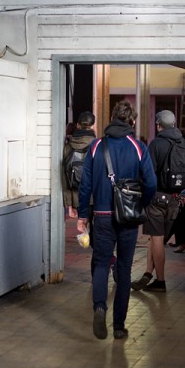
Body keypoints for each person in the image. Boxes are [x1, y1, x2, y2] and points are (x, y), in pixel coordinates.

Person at [77, 100, 156, 340]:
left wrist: (82, 216)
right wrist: (140, 205)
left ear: (112, 118)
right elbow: (151, 183)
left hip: (102, 216)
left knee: (101, 264)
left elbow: (85, 185)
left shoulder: (96, 146)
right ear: (132, 120)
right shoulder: (138, 147)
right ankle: (119, 326)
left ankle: (100, 308)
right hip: (128, 218)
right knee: (124, 269)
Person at [131, 110, 185, 292]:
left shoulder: (156, 144)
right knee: (157, 238)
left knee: (156, 239)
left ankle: (161, 281)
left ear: (158, 125)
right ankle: (148, 273)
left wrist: (144, 197)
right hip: (176, 200)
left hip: (157, 198)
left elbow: (148, 174)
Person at [62, 112, 117, 280]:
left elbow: (64, 176)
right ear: (93, 126)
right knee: (97, 235)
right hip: (97, 196)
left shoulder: (68, 146)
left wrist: (69, 204)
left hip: (78, 197)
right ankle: (110, 262)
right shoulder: (99, 145)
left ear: (78, 125)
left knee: (92, 237)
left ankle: (104, 267)